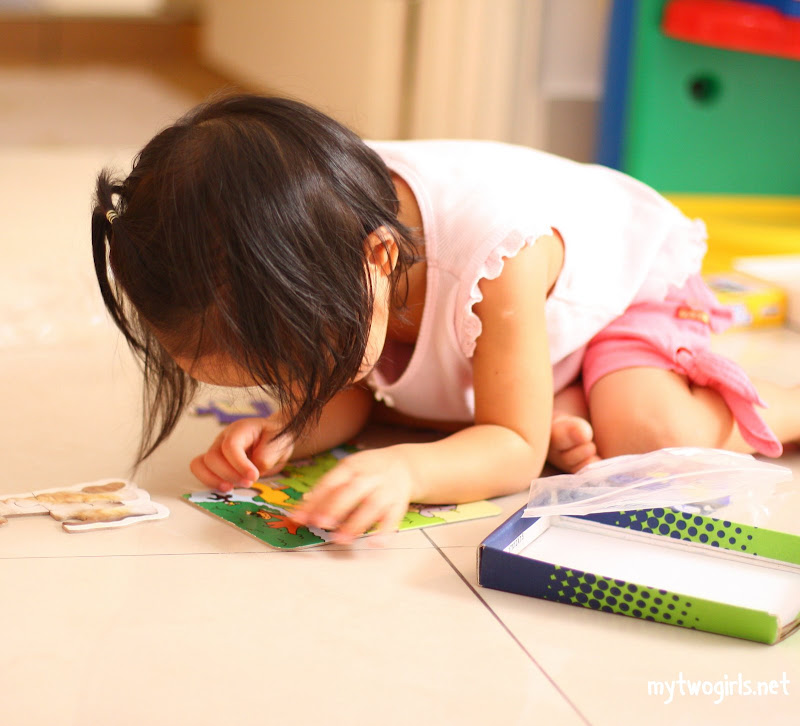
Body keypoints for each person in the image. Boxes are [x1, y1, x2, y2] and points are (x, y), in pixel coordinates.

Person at [91, 94, 800, 544]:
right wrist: (288, 432)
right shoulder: (326, 242)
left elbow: (515, 451)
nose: (297, 384)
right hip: (506, 337)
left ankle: (778, 407)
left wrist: (407, 470)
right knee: (446, 404)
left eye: (300, 365)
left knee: (646, 435)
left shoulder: (499, 254)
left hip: (618, 297)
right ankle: (563, 394)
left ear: (379, 256)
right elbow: (353, 394)